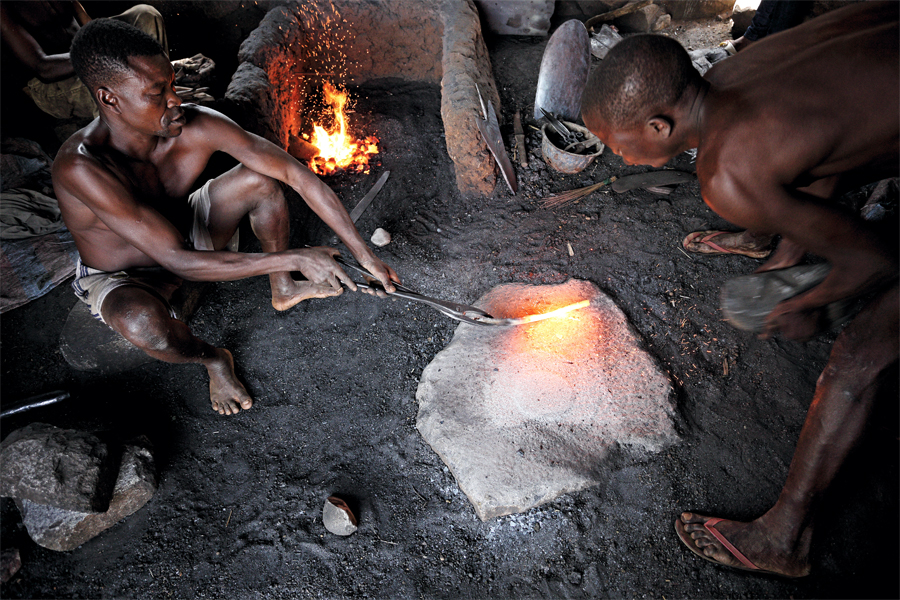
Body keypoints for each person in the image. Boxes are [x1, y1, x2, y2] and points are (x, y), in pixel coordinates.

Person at [581, 1, 898, 578]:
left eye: (620, 145)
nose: (617, 156)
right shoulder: (730, 73)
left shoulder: (726, 175)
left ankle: (786, 538)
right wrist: (787, 259)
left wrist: (805, 303)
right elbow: (819, 151)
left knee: (863, 353)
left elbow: (878, 258)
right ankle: (774, 242)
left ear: (660, 127)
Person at [52, 18, 399, 416]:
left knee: (261, 179)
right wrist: (298, 256)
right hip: (128, 275)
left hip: (187, 233)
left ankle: (283, 289)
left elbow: (296, 174)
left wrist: (364, 254)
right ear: (109, 98)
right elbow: (177, 260)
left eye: (171, 83)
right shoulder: (81, 167)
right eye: (156, 93)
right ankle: (214, 359)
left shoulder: (195, 125)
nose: (175, 99)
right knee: (141, 323)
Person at [1, 2, 167, 122]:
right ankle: (148, 110)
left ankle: (160, 85)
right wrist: (99, 56)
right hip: (53, 83)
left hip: (90, 53)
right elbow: (42, 68)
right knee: (112, 79)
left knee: (144, 14)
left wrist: (108, 44)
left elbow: (89, 27)